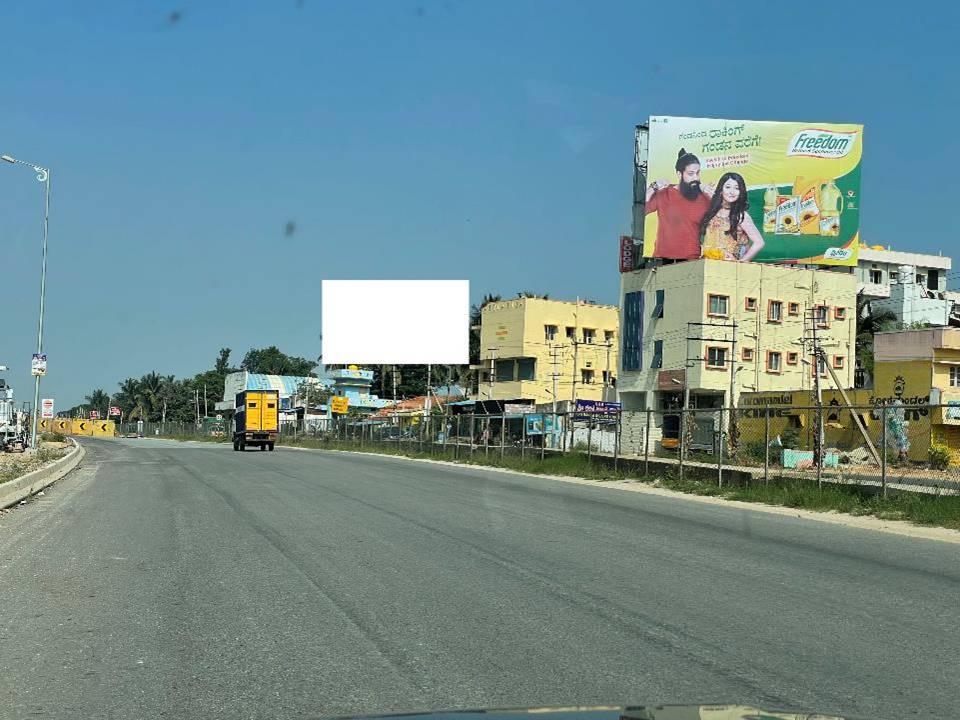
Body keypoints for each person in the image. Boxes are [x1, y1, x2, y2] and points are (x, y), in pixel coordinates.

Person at [645, 149, 712, 260]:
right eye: (691, 174)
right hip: (662, 260)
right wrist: (653, 187)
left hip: (691, 261)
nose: (696, 178)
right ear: (679, 174)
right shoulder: (665, 193)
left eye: (698, 173)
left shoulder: (704, 197)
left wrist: (712, 194)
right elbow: (641, 211)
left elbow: (724, 218)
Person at [698, 172, 765, 262]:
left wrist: (740, 262)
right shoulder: (714, 207)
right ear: (721, 190)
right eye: (728, 187)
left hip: (727, 266)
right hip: (707, 261)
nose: (732, 192)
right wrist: (702, 186)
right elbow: (695, 187)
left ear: (740, 192)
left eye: (736, 188)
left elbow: (759, 242)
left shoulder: (741, 216)